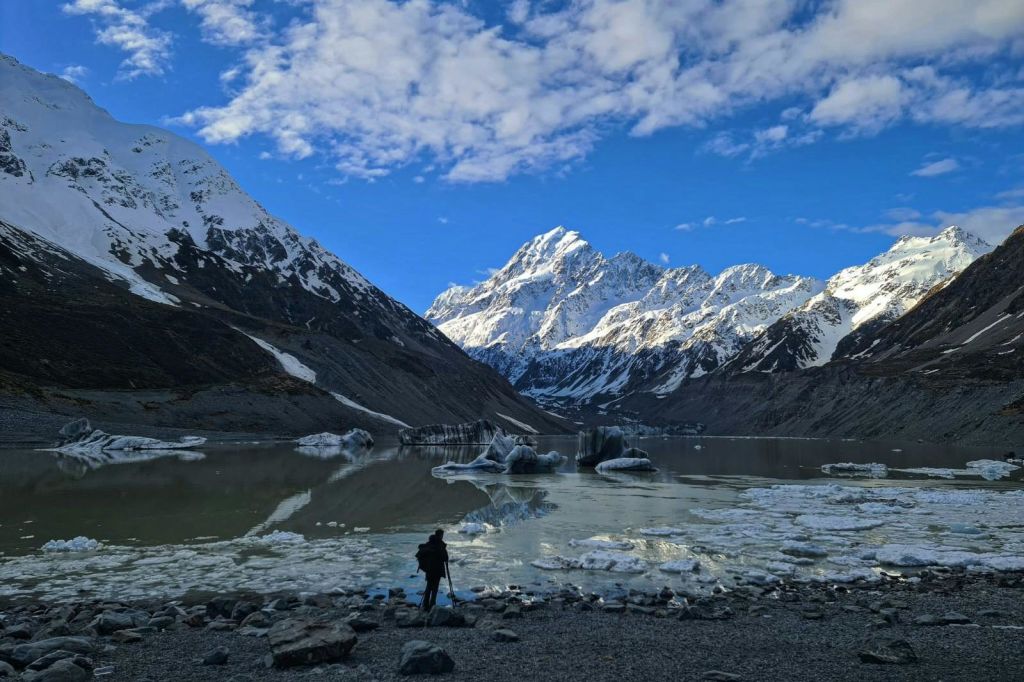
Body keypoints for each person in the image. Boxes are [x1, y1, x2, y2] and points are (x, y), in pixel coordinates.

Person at [415, 529, 449, 611]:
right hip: (437, 570)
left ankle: (425, 605)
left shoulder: (429, 544)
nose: (442, 536)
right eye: (442, 535)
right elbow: (445, 558)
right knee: (435, 588)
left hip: (429, 570)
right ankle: (432, 604)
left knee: (429, 586)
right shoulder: (440, 545)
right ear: (440, 535)